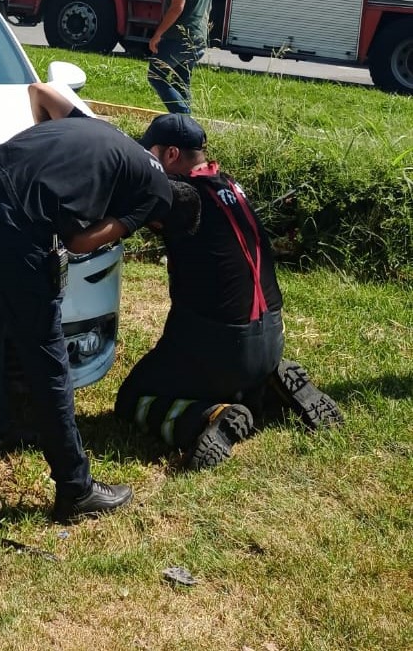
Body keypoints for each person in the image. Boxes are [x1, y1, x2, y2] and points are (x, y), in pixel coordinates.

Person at [0, 82, 201, 523]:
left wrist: (43, 167)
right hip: (14, 220)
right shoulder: (158, 193)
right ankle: (75, 488)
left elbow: (39, 91)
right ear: (160, 223)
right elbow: (80, 241)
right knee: (48, 358)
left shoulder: (110, 133)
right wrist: (95, 221)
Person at [116, 114, 344, 469]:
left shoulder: (181, 198)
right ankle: (263, 386)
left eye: (151, 156)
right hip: (271, 335)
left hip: (220, 347)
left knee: (132, 399)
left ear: (171, 154)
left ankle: (209, 416)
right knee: (226, 364)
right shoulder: (230, 186)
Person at [147, 0, 214, 115]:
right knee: (181, 80)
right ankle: (185, 123)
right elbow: (209, 7)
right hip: (198, 39)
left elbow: (177, 7)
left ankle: (182, 115)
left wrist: (158, 34)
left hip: (178, 38)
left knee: (155, 74)